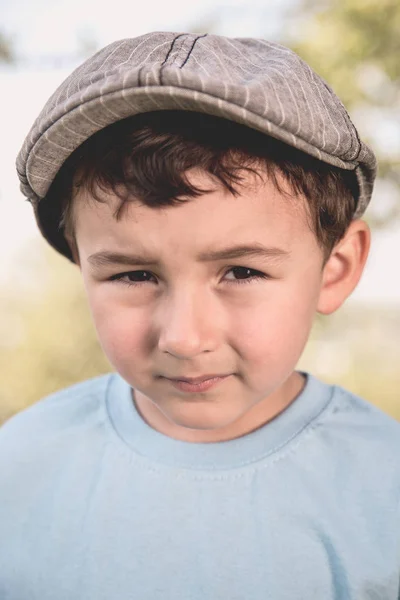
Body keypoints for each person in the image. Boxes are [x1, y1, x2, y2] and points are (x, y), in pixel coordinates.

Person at [1, 31, 399, 600]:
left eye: (241, 272)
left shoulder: (385, 491)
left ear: (334, 268)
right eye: (133, 275)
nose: (185, 339)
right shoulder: (20, 463)